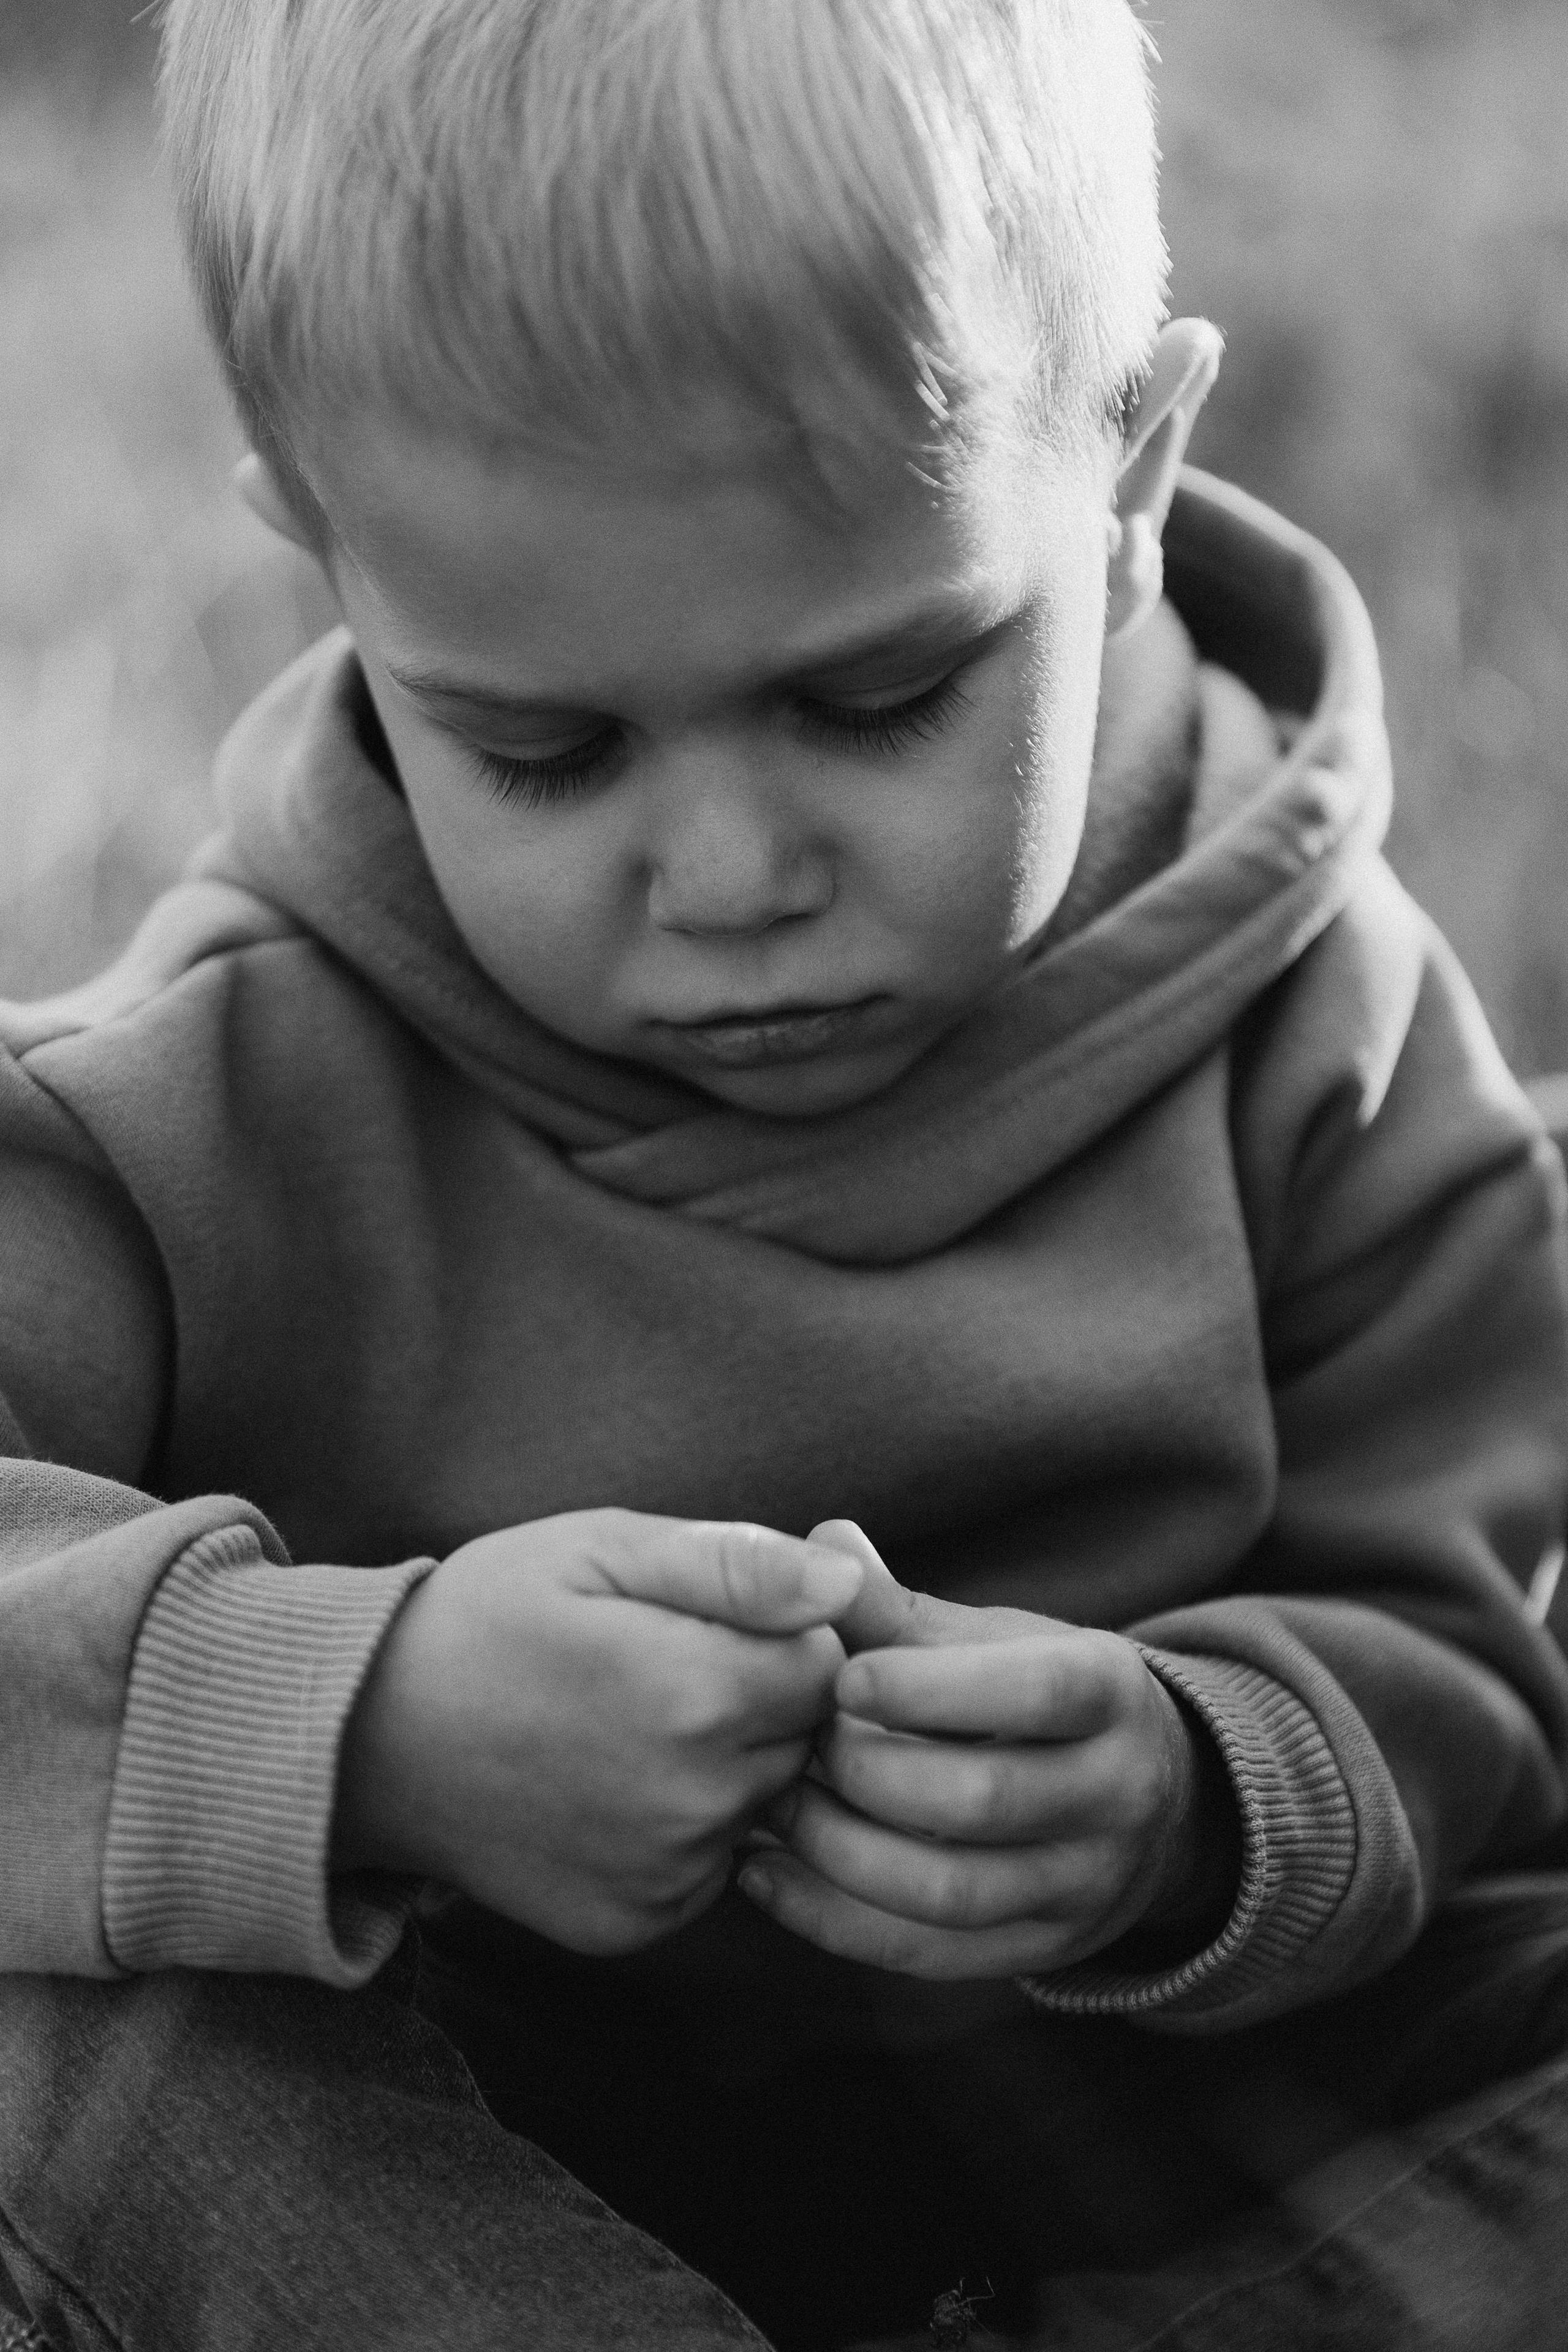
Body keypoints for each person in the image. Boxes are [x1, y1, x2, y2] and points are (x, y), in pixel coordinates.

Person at [0, 2, 1564, 2346]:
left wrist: (1184, 1796)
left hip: (1161, 2167)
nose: (728, 874)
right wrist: (367, 1721)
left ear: (1129, 482)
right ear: (338, 571)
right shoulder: (195, 1100)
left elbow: (1459, 1669)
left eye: (874, 704)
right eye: (541, 748)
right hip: (465, 2183)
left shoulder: (1314, 1030)